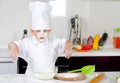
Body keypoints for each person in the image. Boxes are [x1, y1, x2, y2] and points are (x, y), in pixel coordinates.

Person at [8, 1, 72, 78]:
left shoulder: (53, 42)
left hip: (50, 78)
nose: (42, 33)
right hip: (31, 79)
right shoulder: (28, 43)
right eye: (38, 30)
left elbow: (67, 42)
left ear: (49, 31)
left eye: (45, 30)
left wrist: (67, 47)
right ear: (32, 31)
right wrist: (14, 48)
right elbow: (12, 44)